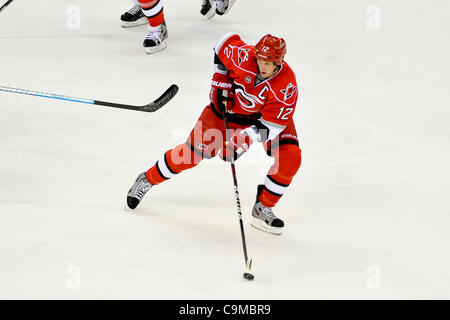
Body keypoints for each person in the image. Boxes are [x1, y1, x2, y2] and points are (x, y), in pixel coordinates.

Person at [126, 33, 302, 235]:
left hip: (263, 120)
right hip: (224, 113)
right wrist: (221, 81)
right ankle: (147, 179)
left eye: (268, 63)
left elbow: (274, 125)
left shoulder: (287, 86)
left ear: (278, 63)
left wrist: (244, 140)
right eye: (260, 60)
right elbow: (222, 43)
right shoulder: (243, 56)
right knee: (189, 156)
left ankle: (264, 206)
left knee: (291, 158)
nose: (262, 66)